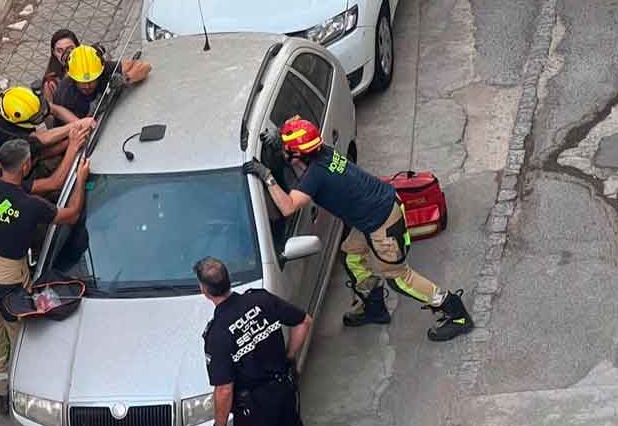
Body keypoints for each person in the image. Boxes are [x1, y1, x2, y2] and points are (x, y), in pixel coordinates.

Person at [243, 116, 474, 342]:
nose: (283, 150)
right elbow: (304, 175)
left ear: (298, 153)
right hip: (375, 214)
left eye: (286, 147)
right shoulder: (323, 155)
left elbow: (288, 207)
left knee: (398, 278)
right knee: (353, 257)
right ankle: (373, 307)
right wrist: (286, 151)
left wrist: (268, 176)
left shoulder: (316, 174)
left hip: (382, 222)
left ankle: (453, 310)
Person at [0, 139, 90, 408]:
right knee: (21, 334)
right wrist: (80, 180)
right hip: (9, 281)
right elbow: (73, 214)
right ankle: (26, 388)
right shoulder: (30, 204)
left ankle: (2, 389)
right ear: (27, 165)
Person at [195, 257, 311, 426]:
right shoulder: (262, 299)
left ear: (204, 290)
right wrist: (289, 356)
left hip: (254, 410)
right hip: (283, 392)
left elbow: (224, 389)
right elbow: (304, 322)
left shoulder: (217, 334)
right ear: (229, 279)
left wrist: (220, 424)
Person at [50, 45, 151, 125]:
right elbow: (73, 129)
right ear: (73, 78)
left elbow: (145, 67)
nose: (87, 86)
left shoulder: (102, 68)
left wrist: (125, 79)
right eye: (82, 82)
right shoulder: (64, 95)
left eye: (92, 80)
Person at [39, 29, 80, 104]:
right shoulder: (51, 83)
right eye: (59, 51)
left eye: (70, 49)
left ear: (77, 47)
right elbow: (51, 111)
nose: (65, 55)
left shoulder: (90, 62)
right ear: (54, 52)